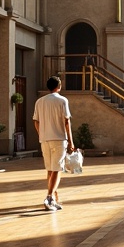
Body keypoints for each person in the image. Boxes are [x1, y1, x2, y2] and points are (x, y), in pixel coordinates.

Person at [33, 76, 75, 211]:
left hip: (45, 140)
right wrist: (71, 141)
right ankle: (49, 196)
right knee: (57, 169)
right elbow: (67, 121)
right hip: (59, 139)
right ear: (59, 86)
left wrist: (42, 134)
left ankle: (54, 197)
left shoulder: (40, 101)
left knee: (50, 169)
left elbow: (36, 121)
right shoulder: (63, 100)